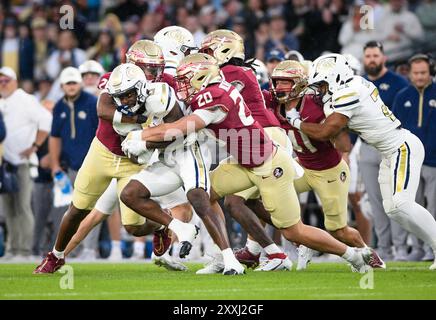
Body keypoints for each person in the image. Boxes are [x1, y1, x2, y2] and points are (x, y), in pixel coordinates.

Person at [124, 53, 381, 275]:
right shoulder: (213, 90)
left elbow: (183, 127)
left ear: (200, 77)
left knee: (293, 231)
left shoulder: (214, 98)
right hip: (244, 164)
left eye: (184, 79)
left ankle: (351, 254)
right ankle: (222, 255)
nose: (181, 85)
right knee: (203, 194)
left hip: (268, 166)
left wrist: (142, 136)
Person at [33, 42, 191, 274]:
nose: (154, 75)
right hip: (103, 151)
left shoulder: (162, 86)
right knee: (78, 209)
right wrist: (141, 124)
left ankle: (159, 226)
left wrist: (152, 138)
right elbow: (103, 110)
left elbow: (176, 125)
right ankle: (56, 256)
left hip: (134, 161)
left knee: (134, 228)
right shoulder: (114, 79)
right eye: (149, 69)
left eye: (157, 69)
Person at [286, 53, 436, 270]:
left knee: (402, 203)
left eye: (322, 85)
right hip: (389, 151)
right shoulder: (355, 83)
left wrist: (296, 122)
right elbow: (341, 139)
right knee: (394, 209)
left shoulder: (349, 92)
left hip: (401, 147)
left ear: (335, 78)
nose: (319, 91)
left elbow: (327, 131)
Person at [198, 30, 292, 272]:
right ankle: (241, 253)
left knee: (235, 203)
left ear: (225, 50)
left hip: (263, 138)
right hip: (255, 138)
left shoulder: (230, 72)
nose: (206, 58)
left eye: (209, 52)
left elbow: (211, 102)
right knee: (217, 197)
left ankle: (284, 248)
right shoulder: (238, 71)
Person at [361, 41, 410, 261]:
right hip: (367, 146)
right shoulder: (359, 83)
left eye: (375, 55)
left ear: (384, 58)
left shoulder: (398, 83)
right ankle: (383, 246)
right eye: (368, 56)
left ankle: (400, 246)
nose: (372, 59)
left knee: (394, 198)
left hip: (391, 146)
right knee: (375, 199)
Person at [0, 66, 52, 259]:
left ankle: (25, 250)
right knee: (9, 209)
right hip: (4, 162)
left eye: (6, 81)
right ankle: (11, 248)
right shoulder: (2, 102)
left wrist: (35, 146)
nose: (3, 84)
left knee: (22, 206)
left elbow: (46, 120)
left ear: (15, 82)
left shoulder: (24, 99)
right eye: (1, 81)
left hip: (22, 161)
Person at [392, 54, 436, 262]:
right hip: (409, 161)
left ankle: (431, 248)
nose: (419, 77)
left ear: (431, 72)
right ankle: (416, 248)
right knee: (412, 207)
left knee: (433, 206)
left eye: (423, 73)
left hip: (434, 161)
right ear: (409, 74)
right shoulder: (402, 96)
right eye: (416, 73)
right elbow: (395, 128)